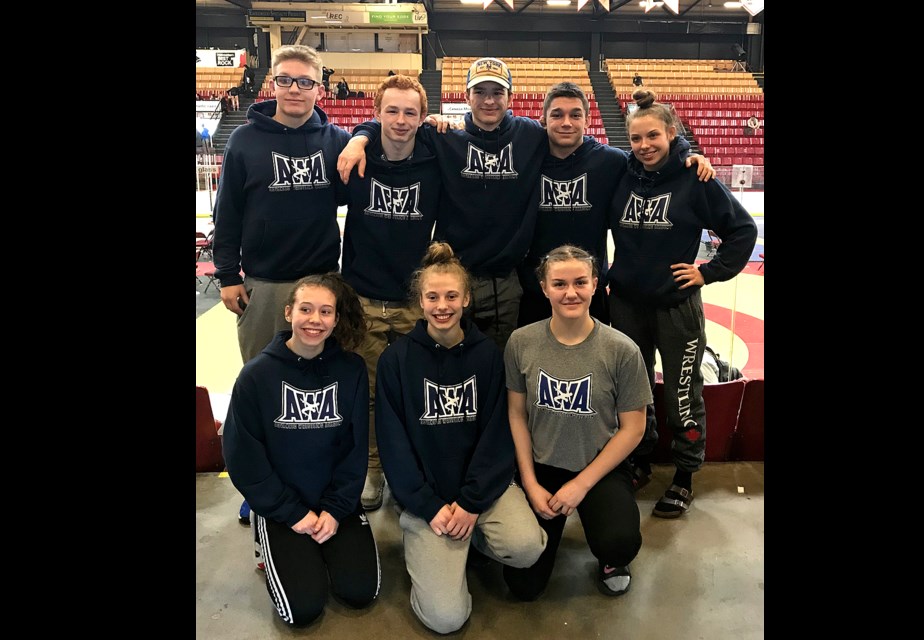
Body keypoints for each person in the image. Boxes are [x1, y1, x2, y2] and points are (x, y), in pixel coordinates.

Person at [375, 241, 547, 634]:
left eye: (451, 295)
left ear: (467, 298)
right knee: (447, 619)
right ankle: (430, 552)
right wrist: (428, 505)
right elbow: (393, 444)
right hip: (428, 503)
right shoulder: (396, 361)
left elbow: (496, 434)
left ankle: (469, 542)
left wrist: (471, 503)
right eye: (432, 297)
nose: (442, 305)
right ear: (419, 301)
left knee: (527, 547)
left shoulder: (487, 356)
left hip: (478, 496)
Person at [606, 89, 758, 518]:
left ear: (672, 133)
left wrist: (707, 272)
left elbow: (742, 232)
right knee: (631, 392)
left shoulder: (696, 178)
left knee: (682, 393)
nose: (644, 146)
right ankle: (639, 458)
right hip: (627, 305)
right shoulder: (622, 173)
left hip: (676, 306)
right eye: (636, 139)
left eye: (653, 136)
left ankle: (686, 475)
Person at [339, 57, 548, 350]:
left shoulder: (532, 135)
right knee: (447, 359)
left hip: (505, 279)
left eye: (497, 92)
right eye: (480, 92)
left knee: (499, 365)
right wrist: (359, 138)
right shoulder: (444, 137)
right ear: (466, 97)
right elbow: (392, 124)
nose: (489, 100)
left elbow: (568, 132)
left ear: (511, 97)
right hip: (450, 273)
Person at [222, 273, 381, 627]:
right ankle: (270, 539)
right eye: (306, 309)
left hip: (333, 503)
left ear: (336, 319)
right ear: (289, 311)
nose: (315, 319)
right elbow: (243, 457)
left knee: (360, 592)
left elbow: (355, 449)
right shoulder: (256, 376)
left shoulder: (351, 369)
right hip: (283, 506)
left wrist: (336, 509)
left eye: (326, 312)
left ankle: (323, 547)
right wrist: (291, 512)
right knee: (302, 610)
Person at [502, 245, 650, 600]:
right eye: (560, 284)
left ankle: (612, 560)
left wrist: (582, 484)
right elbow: (516, 415)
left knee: (619, 541)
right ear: (544, 288)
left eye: (580, 282)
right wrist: (530, 482)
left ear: (595, 284)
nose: (571, 293)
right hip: (542, 468)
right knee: (522, 587)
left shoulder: (622, 350)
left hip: (597, 467)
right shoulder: (521, 342)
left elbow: (634, 428)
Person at [517, 81, 715, 328]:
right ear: (543, 120)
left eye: (575, 115)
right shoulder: (525, 158)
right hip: (534, 289)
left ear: (588, 120)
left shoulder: (611, 161)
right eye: (557, 115)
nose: (566, 122)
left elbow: (653, 161)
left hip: (588, 289)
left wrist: (687, 158)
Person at [340, 74, 442, 511]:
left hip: (411, 302)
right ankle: (373, 469)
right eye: (392, 110)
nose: (401, 120)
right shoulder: (356, 158)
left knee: (415, 391)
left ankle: (413, 470)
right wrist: (359, 137)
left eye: (411, 112)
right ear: (377, 112)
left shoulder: (436, 155)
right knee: (366, 393)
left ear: (422, 117)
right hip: (362, 298)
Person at [212, 44, 350, 364]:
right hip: (264, 286)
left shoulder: (337, 142)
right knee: (262, 381)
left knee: (322, 381)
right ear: (272, 84)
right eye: (285, 80)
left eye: (305, 82)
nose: (294, 89)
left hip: (322, 283)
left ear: (320, 89)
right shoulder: (243, 141)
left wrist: (363, 137)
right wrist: (228, 276)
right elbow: (228, 213)